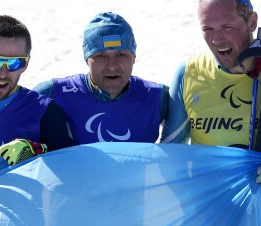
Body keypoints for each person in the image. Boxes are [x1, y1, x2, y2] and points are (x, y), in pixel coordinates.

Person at [160, 0, 261, 183]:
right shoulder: (188, 74)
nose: (217, 39)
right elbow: (169, 157)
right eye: (207, 29)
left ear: (252, 22)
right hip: (216, 206)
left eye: (226, 27)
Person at [0, 15, 74, 179]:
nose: (3, 73)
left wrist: (37, 155)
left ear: (25, 65)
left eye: (14, 63)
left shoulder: (43, 112)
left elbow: (70, 174)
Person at [33, 12, 169, 144]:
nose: (112, 66)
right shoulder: (53, 94)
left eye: (121, 54)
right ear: (87, 59)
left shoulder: (158, 97)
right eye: (101, 56)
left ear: (134, 57)